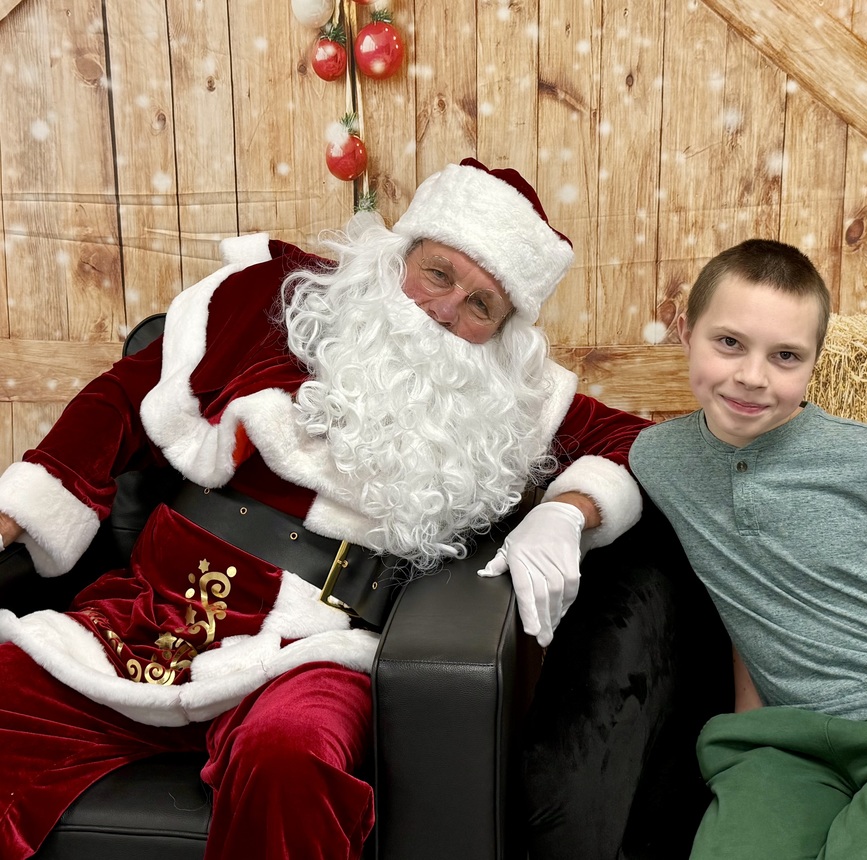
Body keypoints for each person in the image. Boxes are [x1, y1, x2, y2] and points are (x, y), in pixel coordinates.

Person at [0, 158, 652, 859]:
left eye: (481, 305)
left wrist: (567, 511)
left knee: (290, 756)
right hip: (151, 614)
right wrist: (13, 515)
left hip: (316, 652)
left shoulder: (513, 398)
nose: (445, 311)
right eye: (438, 274)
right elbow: (122, 401)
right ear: (400, 254)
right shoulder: (273, 303)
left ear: (502, 330)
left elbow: (636, 445)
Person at [629, 238, 867, 859]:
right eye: (728, 342)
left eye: (785, 355)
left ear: (814, 362)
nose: (752, 376)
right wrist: (752, 724)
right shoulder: (658, 459)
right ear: (685, 331)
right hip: (789, 745)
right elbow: (744, 586)